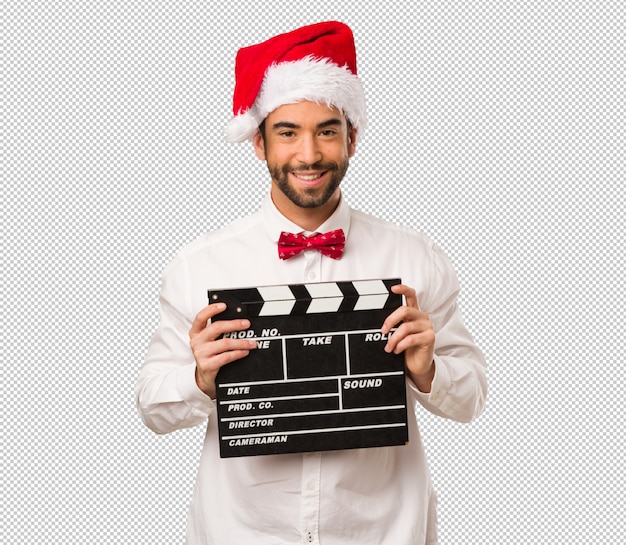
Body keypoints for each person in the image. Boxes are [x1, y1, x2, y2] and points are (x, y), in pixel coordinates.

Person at [135, 21, 487, 545]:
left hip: (383, 532)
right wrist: (200, 379)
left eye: (326, 130)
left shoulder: (416, 257)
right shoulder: (200, 265)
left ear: (352, 137)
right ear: (258, 143)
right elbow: (152, 406)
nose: (308, 154)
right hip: (243, 533)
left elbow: (472, 397)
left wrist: (428, 367)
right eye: (287, 132)